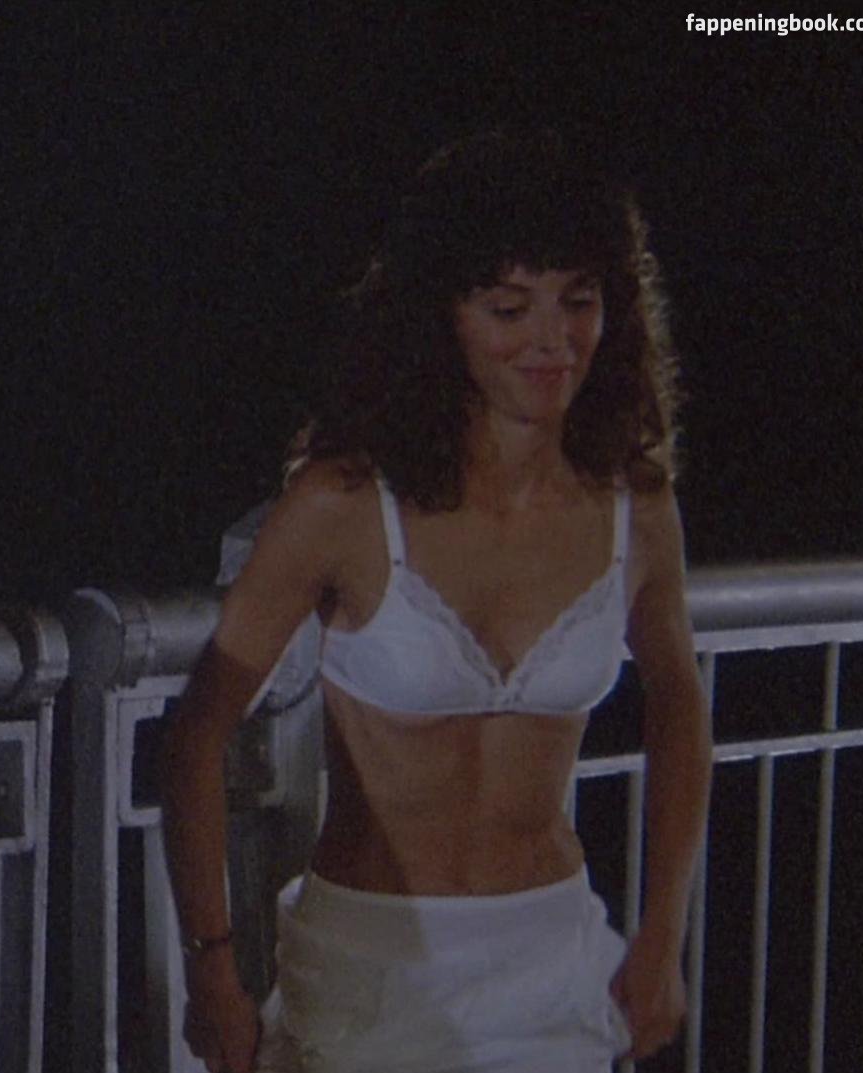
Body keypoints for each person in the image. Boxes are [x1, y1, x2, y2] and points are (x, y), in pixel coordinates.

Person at [161, 129, 712, 1073]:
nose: (553, 341)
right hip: (372, 976)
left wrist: (662, 933)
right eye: (510, 308)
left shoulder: (636, 503)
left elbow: (678, 704)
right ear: (439, 317)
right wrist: (211, 965)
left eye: (579, 301)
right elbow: (197, 732)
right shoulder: (341, 503)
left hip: (551, 966)